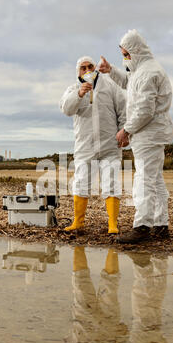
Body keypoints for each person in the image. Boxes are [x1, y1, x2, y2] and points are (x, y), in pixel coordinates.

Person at [99, 30, 173, 243]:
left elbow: (144, 110)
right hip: (151, 133)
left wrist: (126, 130)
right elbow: (129, 83)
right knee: (155, 180)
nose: (125, 58)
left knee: (143, 179)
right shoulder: (143, 70)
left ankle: (142, 226)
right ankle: (161, 225)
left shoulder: (148, 72)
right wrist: (110, 71)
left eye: (126, 54)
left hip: (148, 134)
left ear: (135, 51)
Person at [60, 56, 127, 234]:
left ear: (96, 68)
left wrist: (124, 132)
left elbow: (122, 109)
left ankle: (112, 223)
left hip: (110, 144)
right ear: (78, 72)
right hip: (85, 145)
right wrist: (80, 94)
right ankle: (78, 222)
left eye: (90, 66)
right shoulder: (73, 89)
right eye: (83, 67)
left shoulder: (110, 85)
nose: (88, 69)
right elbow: (66, 109)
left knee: (111, 182)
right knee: (81, 182)